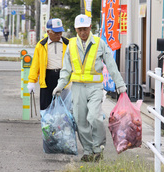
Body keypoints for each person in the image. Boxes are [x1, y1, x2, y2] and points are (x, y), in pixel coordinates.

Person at [52, 14, 127, 162]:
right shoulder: (72, 45)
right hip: (78, 87)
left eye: (85, 29)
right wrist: (60, 86)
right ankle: (87, 151)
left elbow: (111, 65)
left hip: (95, 87)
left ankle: (98, 148)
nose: (83, 33)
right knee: (80, 120)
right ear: (75, 30)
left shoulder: (99, 43)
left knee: (94, 117)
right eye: (79, 30)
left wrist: (120, 84)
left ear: (90, 27)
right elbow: (66, 69)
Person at [27, 18, 69, 110]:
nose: (59, 35)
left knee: (64, 109)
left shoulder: (68, 43)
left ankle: (61, 125)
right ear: (48, 32)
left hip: (63, 77)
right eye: (56, 32)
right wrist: (31, 81)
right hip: (47, 78)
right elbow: (35, 64)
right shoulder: (41, 45)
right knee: (46, 107)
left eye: (60, 32)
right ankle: (46, 124)